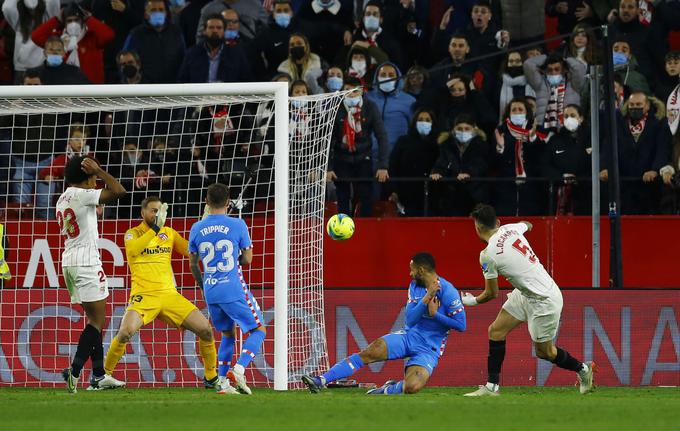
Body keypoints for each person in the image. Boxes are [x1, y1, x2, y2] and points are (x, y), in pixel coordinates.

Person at [462, 204, 595, 397]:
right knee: (496, 331)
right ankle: (492, 387)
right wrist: (518, 230)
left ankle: (583, 369)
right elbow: (527, 224)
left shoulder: (487, 255)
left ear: (477, 228)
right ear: (498, 223)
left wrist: (471, 301)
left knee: (545, 352)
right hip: (526, 293)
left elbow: (491, 294)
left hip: (544, 300)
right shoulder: (510, 228)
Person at [301, 252, 466, 395]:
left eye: (412, 269)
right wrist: (426, 299)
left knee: (412, 387)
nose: (410, 273)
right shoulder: (415, 286)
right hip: (408, 337)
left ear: (421, 270)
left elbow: (461, 325)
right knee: (371, 351)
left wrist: (435, 315)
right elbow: (410, 319)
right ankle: (320, 380)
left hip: (429, 349)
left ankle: (386, 390)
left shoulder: (448, 291)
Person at [103, 196, 220, 390]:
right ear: (143, 213)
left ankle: (211, 377)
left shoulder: (169, 233)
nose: (156, 215)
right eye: (153, 211)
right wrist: (155, 229)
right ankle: (103, 376)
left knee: (206, 330)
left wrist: (204, 229)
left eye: (159, 211)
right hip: (144, 296)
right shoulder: (133, 233)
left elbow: (192, 253)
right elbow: (133, 251)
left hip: (169, 295)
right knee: (124, 333)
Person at [188, 183, 266, 395]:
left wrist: (202, 286)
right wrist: (235, 258)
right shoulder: (238, 224)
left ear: (206, 201)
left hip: (211, 290)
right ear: (228, 201)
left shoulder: (196, 228)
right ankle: (239, 369)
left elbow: (193, 264)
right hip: (232, 287)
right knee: (258, 329)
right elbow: (248, 259)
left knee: (227, 333)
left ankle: (222, 381)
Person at [58, 156, 126, 393]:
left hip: (69, 262)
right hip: (87, 262)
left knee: (93, 320)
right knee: (97, 323)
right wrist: (101, 170)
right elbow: (119, 191)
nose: (96, 181)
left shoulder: (62, 197)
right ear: (86, 177)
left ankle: (98, 375)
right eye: (94, 177)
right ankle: (74, 371)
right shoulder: (83, 194)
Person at [31, 2, 114, 84]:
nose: (73, 23)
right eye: (69, 21)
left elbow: (109, 35)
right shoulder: (58, 39)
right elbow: (36, 37)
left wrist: (89, 19)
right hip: (65, 87)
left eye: (76, 20)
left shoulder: (91, 36)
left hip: (91, 89)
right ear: (64, 23)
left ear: (82, 20)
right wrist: (56, 19)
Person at [177, 14, 251, 83]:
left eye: (219, 28)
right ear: (204, 31)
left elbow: (246, 80)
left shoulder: (236, 54)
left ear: (224, 31)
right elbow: (182, 81)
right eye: (211, 27)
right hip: (198, 95)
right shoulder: (192, 53)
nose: (215, 31)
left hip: (227, 96)